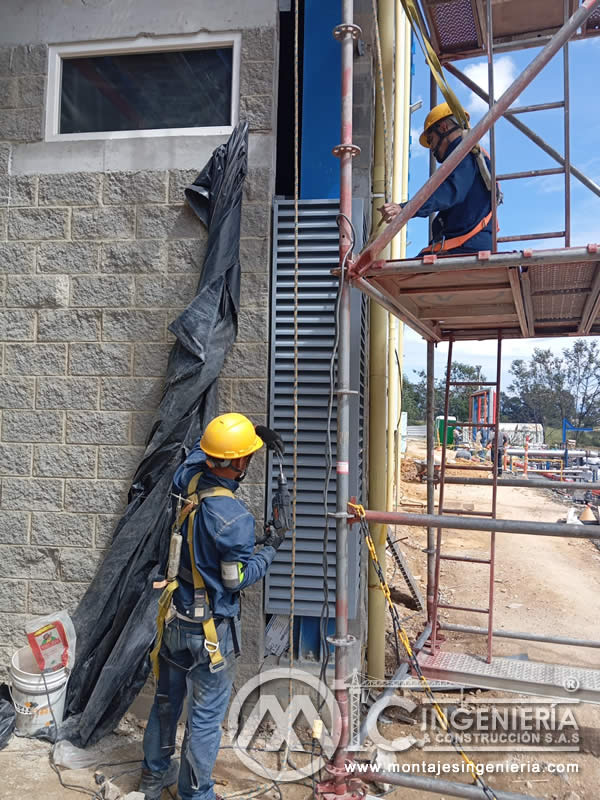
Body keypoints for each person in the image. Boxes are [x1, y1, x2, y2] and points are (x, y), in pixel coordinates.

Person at [139, 413, 287, 800]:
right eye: (247, 456)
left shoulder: (184, 480)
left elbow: (198, 455)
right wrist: (270, 549)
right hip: (211, 634)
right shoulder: (235, 519)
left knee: (167, 701)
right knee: (204, 719)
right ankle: (196, 795)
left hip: (175, 618)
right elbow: (235, 579)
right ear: (238, 463)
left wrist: (245, 436)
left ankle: (154, 779)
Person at [379, 102, 498, 255]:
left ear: (443, 128)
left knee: (394, 277)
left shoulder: (463, 153)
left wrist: (405, 209)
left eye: (431, 140)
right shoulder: (472, 154)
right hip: (468, 242)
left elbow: (448, 192)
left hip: (464, 246)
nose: (433, 149)